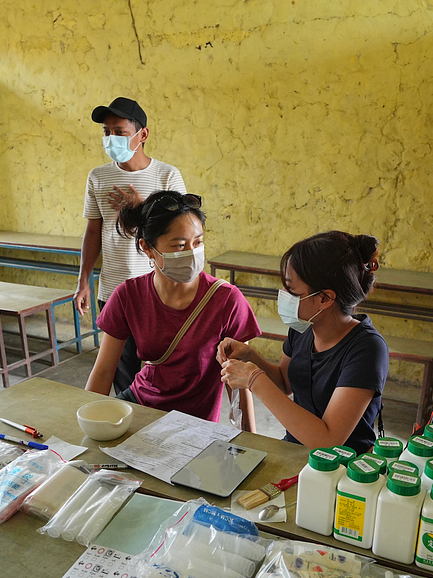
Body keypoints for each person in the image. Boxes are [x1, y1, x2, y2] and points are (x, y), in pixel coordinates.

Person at [85, 191, 261, 423]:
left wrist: (250, 441)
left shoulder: (227, 300)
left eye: (197, 242)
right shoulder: (128, 295)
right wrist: (84, 425)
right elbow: (104, 372)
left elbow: (238, 384)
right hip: (140, 409)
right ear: (147, 248)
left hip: (195, 424)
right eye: (179, 245)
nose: (192, 253)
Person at [218, 231, 389, 453]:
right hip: (296, 454)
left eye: (291, 290)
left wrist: (254, 380)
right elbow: (285, 383)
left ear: (324, 299)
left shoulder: (367, 349)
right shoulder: (304, 327)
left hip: (344, 469)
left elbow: (327, 440)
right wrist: (250, 357)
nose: (284, 296)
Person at [75, 96, 187, 396]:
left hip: (157, 292)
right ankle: (128, 427)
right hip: (113, 290)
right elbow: (93, 230)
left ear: (142, 135)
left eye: (120, 132)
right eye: (106, 132)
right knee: (120, 371)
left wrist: (142, 207)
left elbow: (180, 232)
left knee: (161, 368)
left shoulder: (167, 176)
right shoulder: (98, 177)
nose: (111, 138)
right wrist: (83, 280)